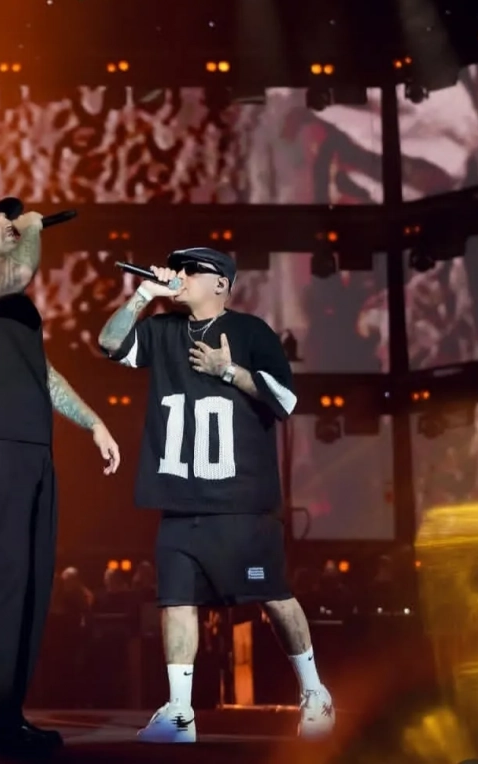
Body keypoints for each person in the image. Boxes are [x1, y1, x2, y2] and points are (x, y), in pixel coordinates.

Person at [98, 247, 334, 742]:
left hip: (240, 504)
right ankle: (180, 711)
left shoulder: (251, 332)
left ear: (221, 283)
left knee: (273, 596)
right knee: (176, 602)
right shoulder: (163, 330)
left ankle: (315, 692)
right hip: (180, 501)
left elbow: (286, 399)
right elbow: (110, 343)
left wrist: (229, 371)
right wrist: (144, 294)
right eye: (178, 269)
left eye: (192, 270)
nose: (180, 276)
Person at [0, 196, 121, 755]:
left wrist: (92, 421)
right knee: (2, 580)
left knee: (32, 585)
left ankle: (6, 712)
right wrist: (35, 228)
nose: (10, 223)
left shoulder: (14, 309)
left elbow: (43, 374)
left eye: (12, 217)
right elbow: (17, 273)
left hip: (30, 451)